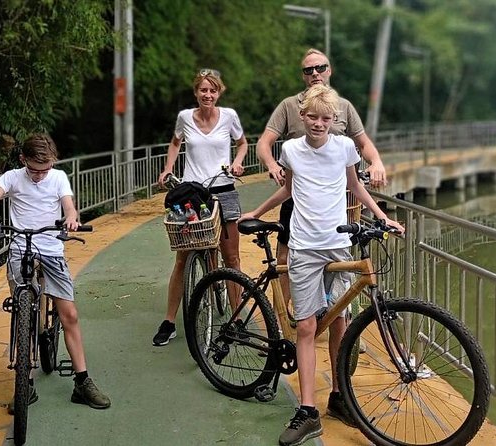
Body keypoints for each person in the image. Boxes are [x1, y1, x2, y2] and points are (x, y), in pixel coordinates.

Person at [239, 85, 403, 446]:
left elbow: (355, 189)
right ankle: (308, 411)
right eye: (312, 117)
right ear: (303, 117)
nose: (318, 123)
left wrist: (383, 217)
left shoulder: (345, 148)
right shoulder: (291, 149)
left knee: (341, 320)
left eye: (325, 118)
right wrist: (258, 212)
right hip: (303, 247)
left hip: (338, 246)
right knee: (307, 327)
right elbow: (288, 191)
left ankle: (341, 397)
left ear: (335, 121)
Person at [0, 133, 111, 411]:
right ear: (23, 160)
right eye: (34, 169)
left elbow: (69, 206)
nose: (40, 175)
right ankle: (25, 384)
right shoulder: (12, 177)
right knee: (24, 312)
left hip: (52, 249)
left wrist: (71, 218)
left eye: (45, 169)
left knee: (69, 314)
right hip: (21, 249)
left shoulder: (58, 178)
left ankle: (82, 382)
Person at [256, 48, 387, 314]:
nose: (315, 73)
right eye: (308, 70)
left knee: (344, 263)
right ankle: (284, 317)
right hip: (299, 194)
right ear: (303, 75)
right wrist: (272, 165)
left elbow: (363, 143)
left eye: (320, 68)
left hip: (339, 201)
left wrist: (377, 162)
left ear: (329, 70)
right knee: (285, 259)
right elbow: (264, 142)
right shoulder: (289, 106)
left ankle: (345, 325)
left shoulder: (343, 106)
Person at [153, 68, 249, 346]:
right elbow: (175, 143)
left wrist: (238, 162)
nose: (208, 95)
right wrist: (168, 168)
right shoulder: (185, 117)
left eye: (213, 90)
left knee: (231, 258)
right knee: (182, 257)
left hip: (224, 188)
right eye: (203, 90)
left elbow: (242, 144)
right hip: (191, 192)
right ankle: (169, 321)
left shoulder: (229, 116)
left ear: (219, 93)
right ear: (196, 92)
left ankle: (237, 318)